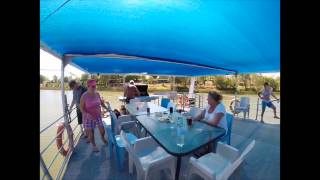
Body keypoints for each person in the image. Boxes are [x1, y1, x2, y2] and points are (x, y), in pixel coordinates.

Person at [80, 79, 109, 152]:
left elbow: (101, 103)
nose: (95, 87)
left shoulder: (97, 94)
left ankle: (102, 138)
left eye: (95, 86)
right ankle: (94, 145)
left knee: (102, 130)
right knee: (91, 133)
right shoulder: (84, 96)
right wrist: (86, 114)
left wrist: (107, 108)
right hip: (88, 117)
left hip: (98, 115)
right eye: (93, 86)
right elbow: (81, 108)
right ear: (88, 86)